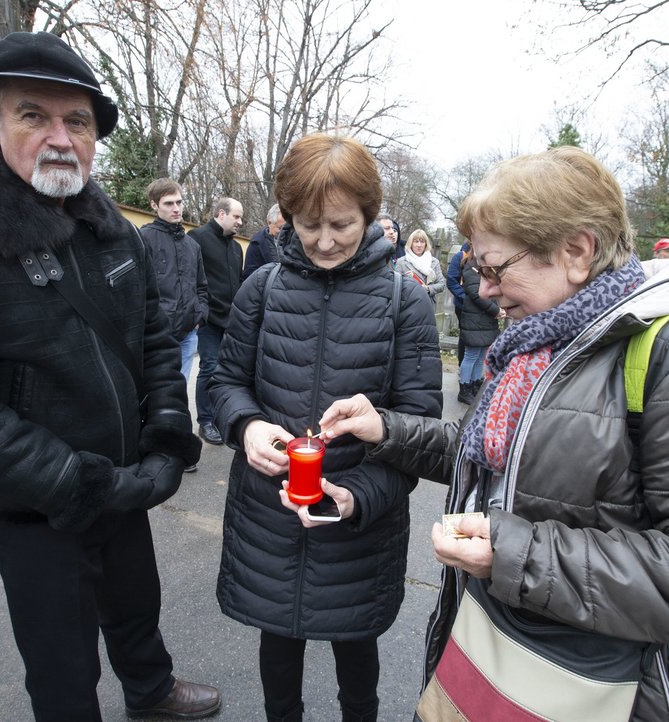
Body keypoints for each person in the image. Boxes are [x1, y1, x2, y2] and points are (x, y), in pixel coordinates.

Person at [319, 146, 669, 720]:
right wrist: (386, 429)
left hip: (633, 695)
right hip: (520, 666)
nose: (483, 290)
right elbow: (498, 458)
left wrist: (514, 554)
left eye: (494, 268)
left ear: (576, 252)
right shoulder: (543, 344)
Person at [0, 32, 220, 721]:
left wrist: (167, 436)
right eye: (35, 115)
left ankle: (151, 693)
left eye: (79, 121)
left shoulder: (112, 230)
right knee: (61, 660)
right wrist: (81, 482)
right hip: (36, 507)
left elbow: (153, 337)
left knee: (135, 607)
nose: (60, 137)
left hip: (122, 485)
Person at [208, 132, 443, 722]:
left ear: (369, 214)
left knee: (355, 648)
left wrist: (356, 497)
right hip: (270, 511)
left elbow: (417, 429)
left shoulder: (403, 302)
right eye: (308, 224)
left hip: (359, 521)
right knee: (277, 644)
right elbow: (225, 382)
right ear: (288, 217)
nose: (325, 240)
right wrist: (245, 426)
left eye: (341, 224)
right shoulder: (261, 288)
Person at [139, 178, 209, 389]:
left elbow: (202, 286)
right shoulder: (143, 238)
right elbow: (135, 287)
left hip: (189, 333)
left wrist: (200, 315)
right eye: (169, 203)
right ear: (154, 205)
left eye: (179, 202)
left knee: (178, 390)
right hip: (156, 334)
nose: (176, 208)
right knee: (155, 391)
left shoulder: (192, 246)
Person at [189, 196, 244, 445]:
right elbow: (190, 278)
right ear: (221, 214)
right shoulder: (197, 239)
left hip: (231, 321)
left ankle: (222, 416)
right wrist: (200, 312)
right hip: (209, 319)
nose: (240, 222)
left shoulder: (235, 248)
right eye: (237, 216)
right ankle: (206, 421)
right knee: (209, 367)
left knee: (227, 371)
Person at [455, 246, 502, 404]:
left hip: (486, 320)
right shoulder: (470, 268)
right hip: (475, 320)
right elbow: (477, 295)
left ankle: (475, 385)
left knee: (481, 356)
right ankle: (464, 389)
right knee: (471, 356)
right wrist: (496, 310)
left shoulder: (485, 268)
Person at [393, 229, 446, 303]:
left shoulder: (434, 262)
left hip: (428, 303)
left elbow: (441, 285)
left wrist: (427, 288)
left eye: (422, 241)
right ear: (411, 243)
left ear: (426, 244)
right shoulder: (401, 262)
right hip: (408, 303)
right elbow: (396, 285)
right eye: (416, 241)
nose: (419, 245)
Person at [244, 203, 285, 279]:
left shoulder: (292, 240)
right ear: (269, 223)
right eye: (280, 228)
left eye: (285, 228)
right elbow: (249, 274)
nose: (283, 232)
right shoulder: (256, 243)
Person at [445, 241, 469, 365]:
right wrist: (465, 297)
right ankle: (463, 367)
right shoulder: (460, 256)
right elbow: (451, 280)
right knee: (465, 336)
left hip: (484, 305)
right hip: (463, 305)